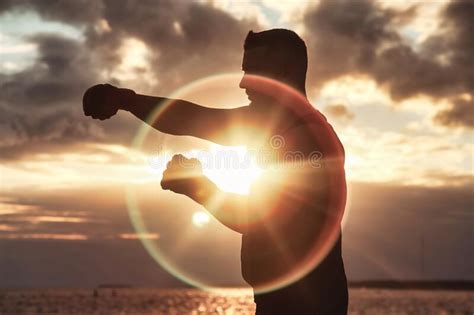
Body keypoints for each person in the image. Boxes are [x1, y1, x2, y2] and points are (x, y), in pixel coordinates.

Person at [83, 29, 348, 314]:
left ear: (286, 74)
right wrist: (124, 99)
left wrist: (196, 185)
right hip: (283, 301)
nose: (243, 82)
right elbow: (191, 119)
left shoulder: (306, 138)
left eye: (256, 72)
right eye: (245, 71)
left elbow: (256, 218)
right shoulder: (279, 126)